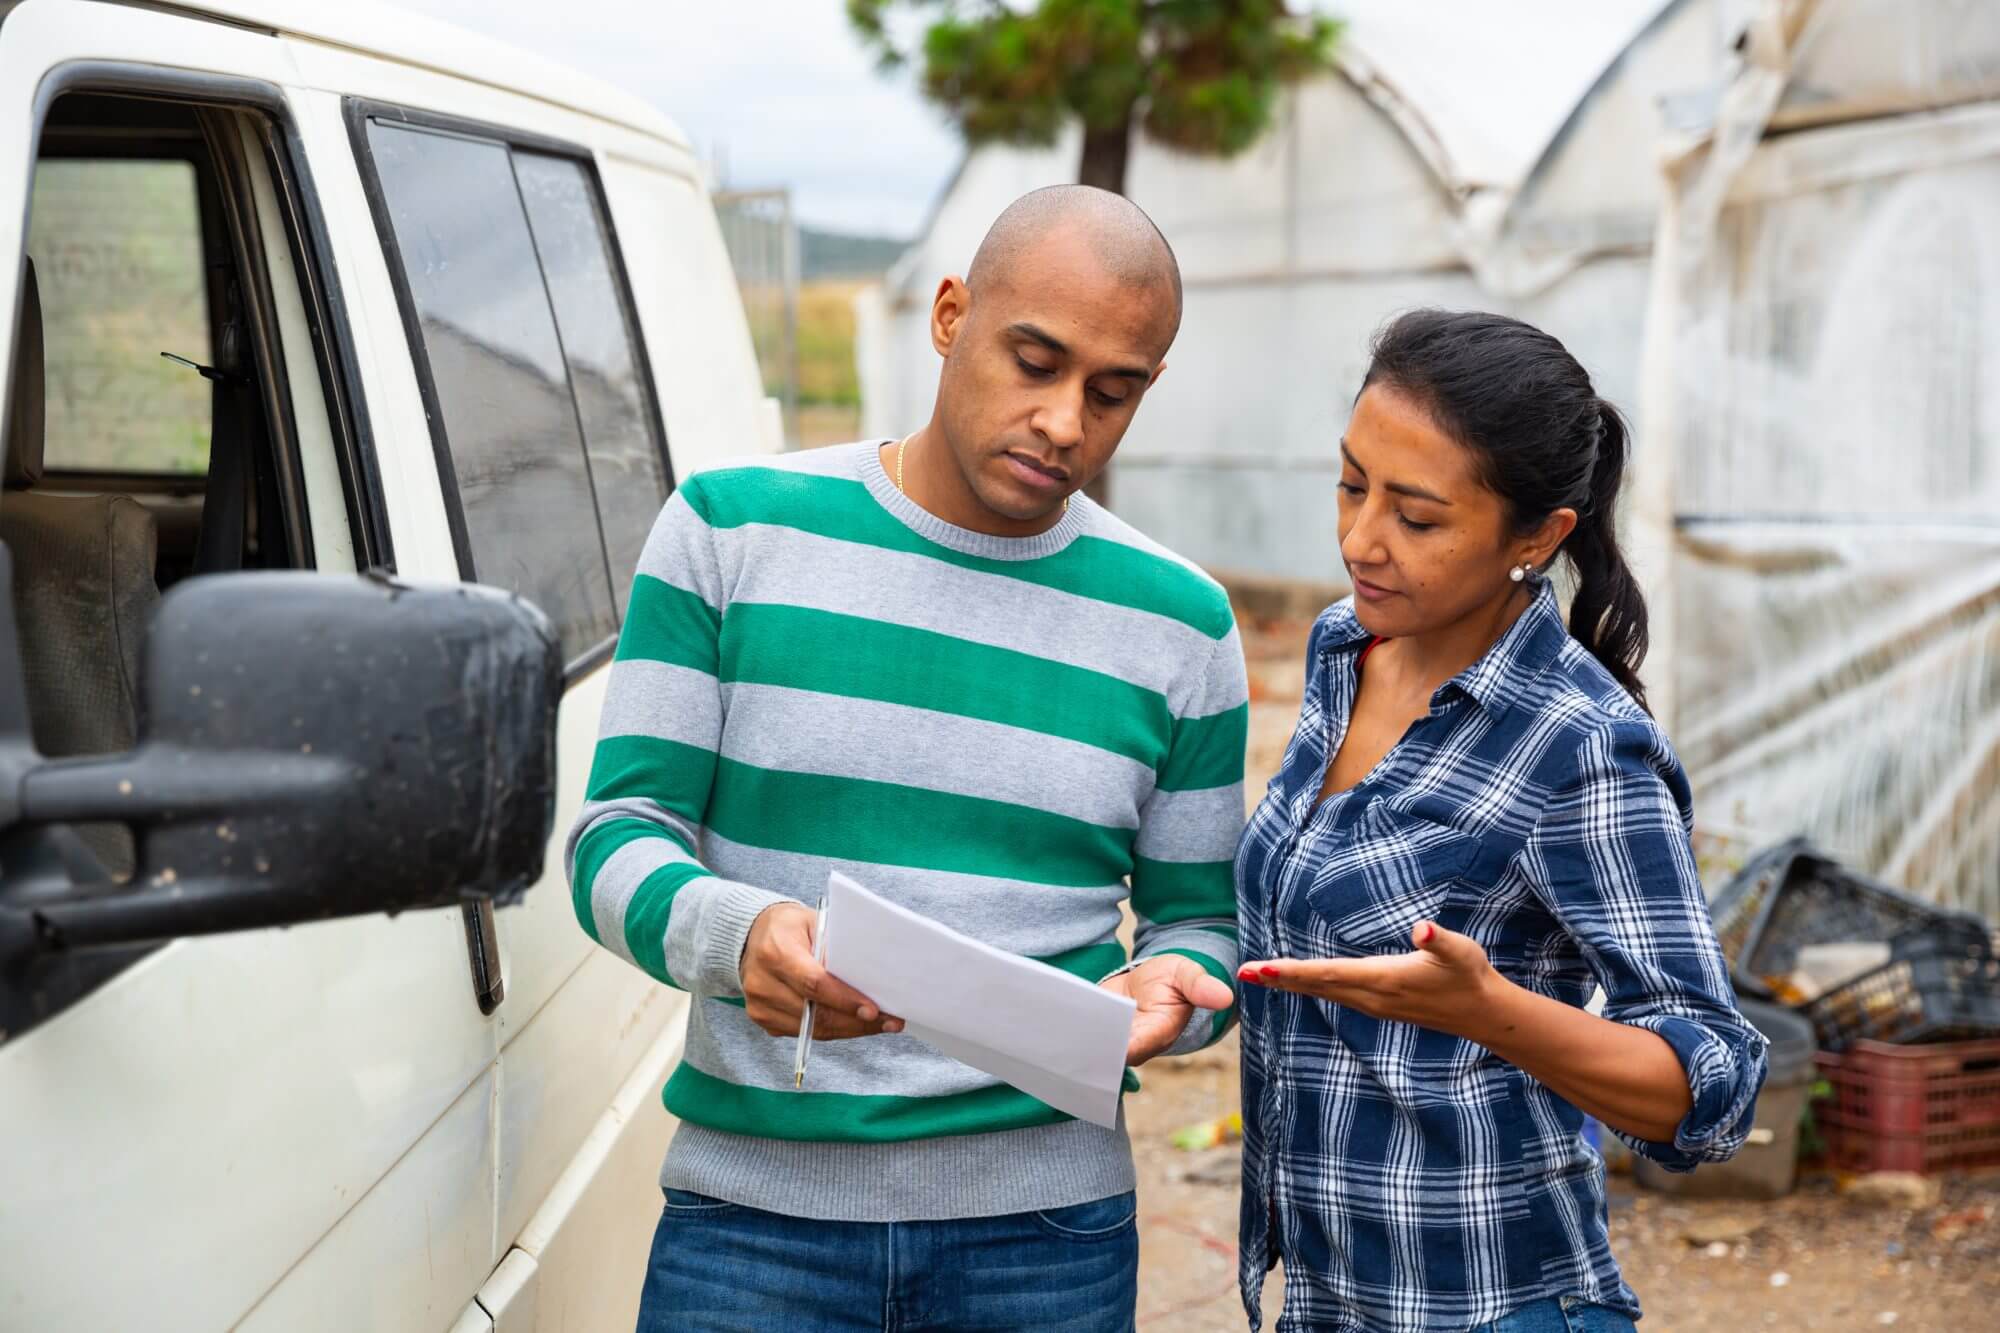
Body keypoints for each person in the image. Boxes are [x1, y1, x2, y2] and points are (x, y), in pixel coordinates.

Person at [566, 185, 1249, 1332]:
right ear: (947, 317)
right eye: (1032, 359)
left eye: (1110, 391)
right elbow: (614, 839)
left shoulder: (1182, 623)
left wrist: (1187, 989)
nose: (1063, 421)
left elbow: (1198, 922)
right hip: (752, 1227)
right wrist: (741, 935)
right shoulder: (728, 534)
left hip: (1046, 1242)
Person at [1233, 310, 1768, 1332]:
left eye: (1416, 517)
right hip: (1329, 1300)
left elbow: (1715, 1086)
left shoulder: (1579, 748)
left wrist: (1487, 1010)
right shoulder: (1343, 647)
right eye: (1350, 485)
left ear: (1537, 536)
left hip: (1488, 1302)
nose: (1358, 539)